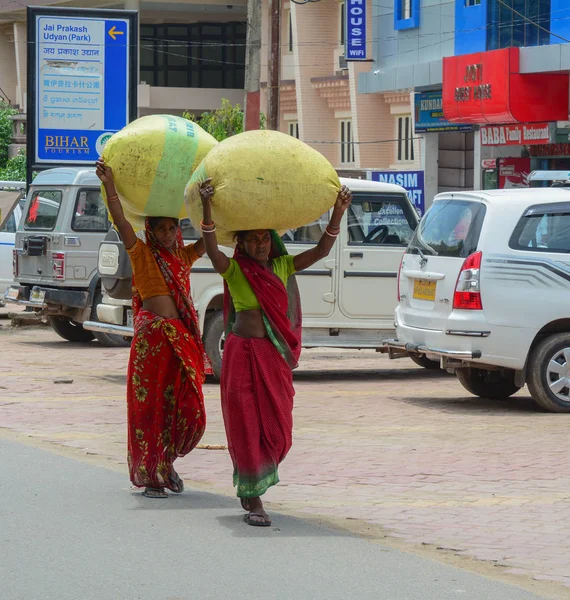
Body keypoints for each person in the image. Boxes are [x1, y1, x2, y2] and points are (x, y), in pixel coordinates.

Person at [199, 179, 352, 526]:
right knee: (246, 425)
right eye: (252, 239)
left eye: (265, 237)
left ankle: (255, 481)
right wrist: (208, 208)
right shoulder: (237, 270)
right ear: (241, 243)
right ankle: (254, 498)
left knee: (279, 431)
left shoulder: (282, 268)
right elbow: (212, 252)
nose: (260, 244)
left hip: (272, 359)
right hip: (241, 355)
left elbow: (321, 252)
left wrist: (338, 213)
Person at [96, 159, 208, 499]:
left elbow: (209, 239)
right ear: (150, 231)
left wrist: (208, 202)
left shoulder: (183, 257)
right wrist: (110, 184)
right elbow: (120, 220)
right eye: (160, 229)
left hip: (179, 340)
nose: (167, 234)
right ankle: (151, 475)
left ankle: (168, 462)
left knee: (184, 405)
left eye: (172, 228)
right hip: (152, 342)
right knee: (152, 408)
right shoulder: (142, 253)